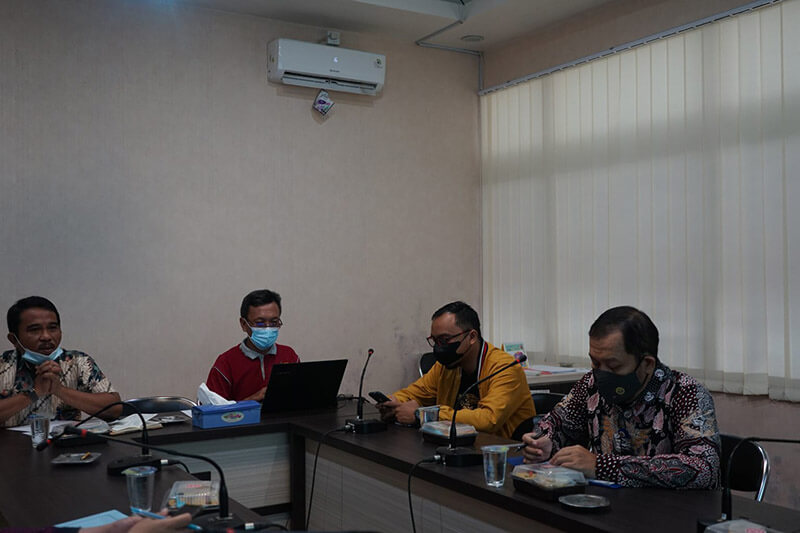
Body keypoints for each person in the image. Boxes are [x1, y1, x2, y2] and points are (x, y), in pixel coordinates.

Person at [522, 306, 721, 489]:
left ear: (647, 364)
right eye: (595, 363)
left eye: (614, 366)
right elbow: (558, 423)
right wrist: (544, 443)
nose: (601, 374)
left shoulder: (686, 393)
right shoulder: (591, 385)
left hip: (670, 510)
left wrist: (602, 465)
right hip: (604, 504)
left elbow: (703, 468)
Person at [378, 301, 535, 439]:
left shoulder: (504, 368)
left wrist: (424, 415)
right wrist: (394, 403)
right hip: (459, 445)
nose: (439, 347)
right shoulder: (448, 365)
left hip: (501, 452)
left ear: (472, 337)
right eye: (435, 341)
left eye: (445, 340)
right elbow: (417, 392)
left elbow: (488, 420)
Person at [0, 296, 121, 427]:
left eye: (52, 328)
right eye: (34, 330)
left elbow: (115, 409)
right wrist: (34, 393)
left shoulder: (78, 362)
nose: (46, 336)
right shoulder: (3, 365)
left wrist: (59, 390)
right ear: (13, 339)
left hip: (67, 439)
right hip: (12, 441)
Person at [206, 289, 299, 402]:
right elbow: (212, 409)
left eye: (274, 322)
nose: (268, 328)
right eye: (260, 323)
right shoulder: (226, 363)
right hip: (243, 414)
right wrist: (252, 401)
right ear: (244, 324)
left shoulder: (289, 356)